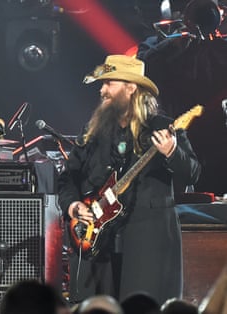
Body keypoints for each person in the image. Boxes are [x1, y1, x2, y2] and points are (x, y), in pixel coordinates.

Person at [57, 55, 201, 305]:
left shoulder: (163, 127)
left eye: (109, 83)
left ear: (131, 87)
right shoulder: (93, 131)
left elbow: (193, 174)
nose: (102, 90)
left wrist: (171, 153)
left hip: (147, 243)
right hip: (98, 245)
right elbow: (68, 178)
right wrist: (74, 206)